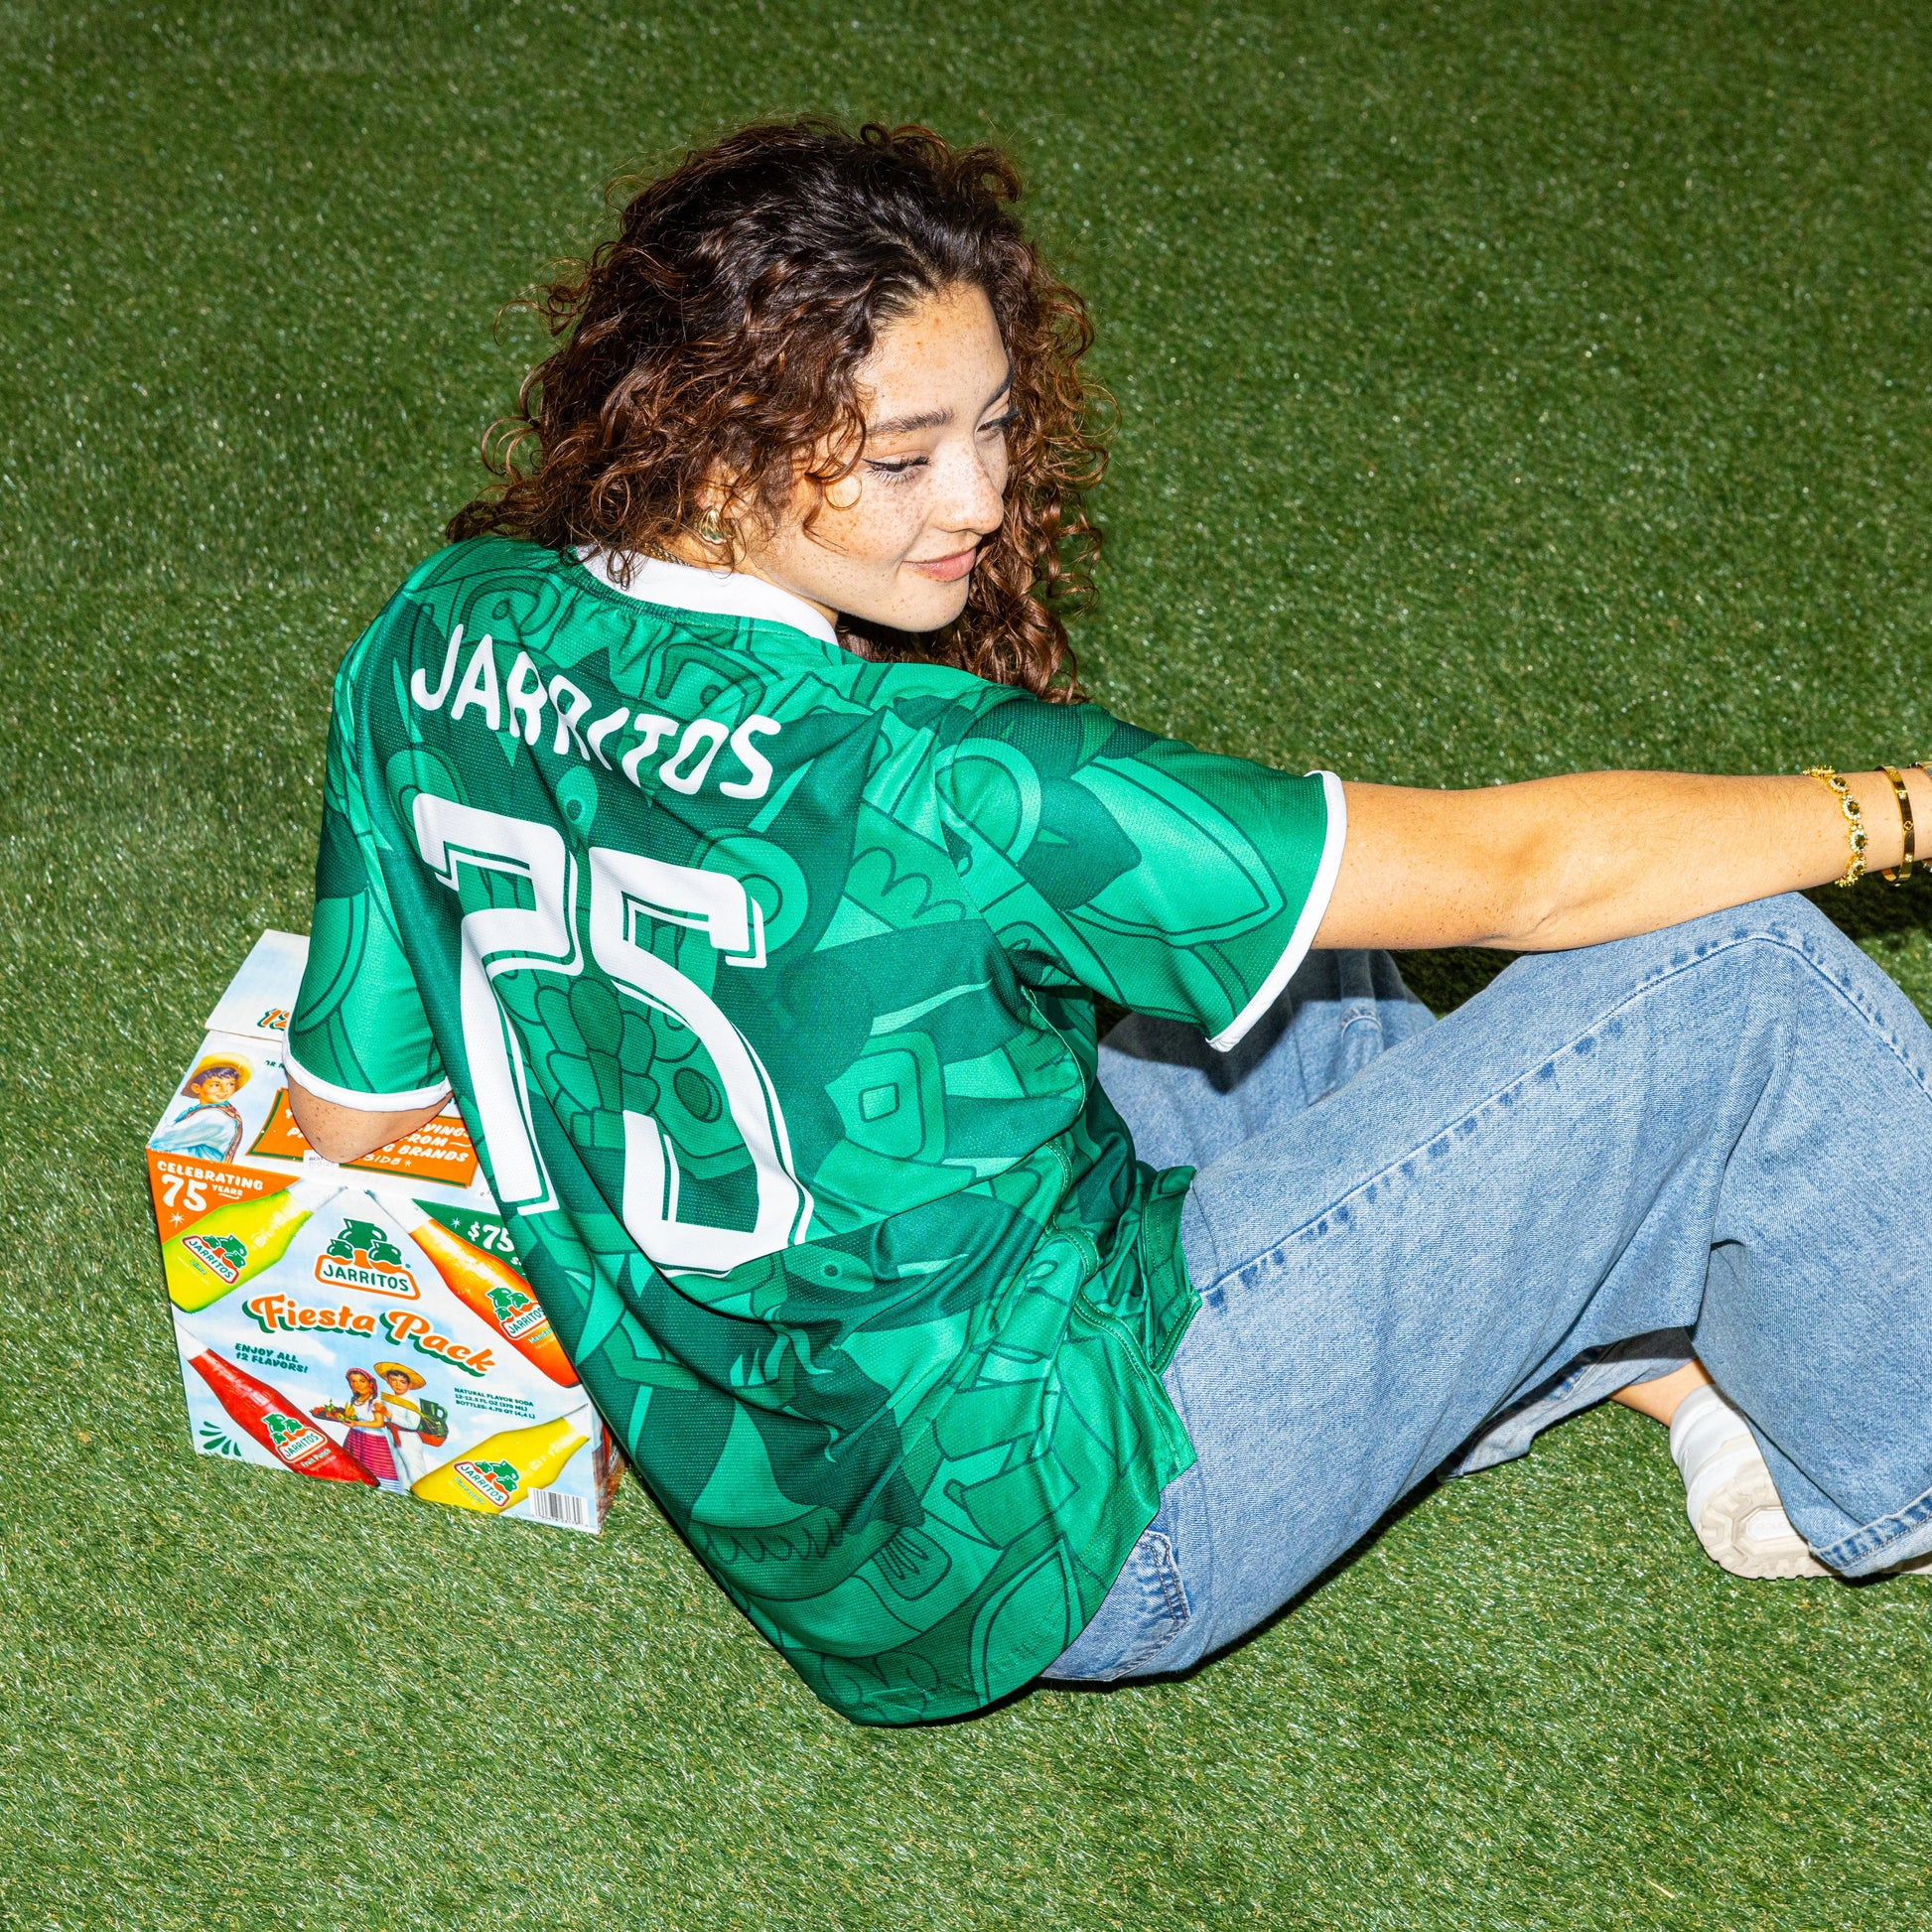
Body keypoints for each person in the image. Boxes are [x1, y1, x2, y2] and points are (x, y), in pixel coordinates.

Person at [283, 119, 1932, 1725]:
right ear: (715, 443)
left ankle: (1642, 1369)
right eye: (904, 458)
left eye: (995, 428)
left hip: (789, 1490)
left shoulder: (437, 627)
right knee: (1747, 973)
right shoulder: (946, 779)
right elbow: (1530, 876)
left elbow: (351, 1115)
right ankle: (1896, 1463)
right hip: (1088, 1525)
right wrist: (1903, 808)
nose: (980, 500)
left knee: (1282, 931)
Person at [151, 1059, 250, 1164]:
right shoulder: (221, 1110)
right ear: (196, 1088)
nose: (225, 1090)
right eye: (216, 1085)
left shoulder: (215, 1117)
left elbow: (162, 1139)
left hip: (199, 1168)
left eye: (230, 1084)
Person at [314, 1368, 398, 1486]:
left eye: (362, 1381)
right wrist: (344, 1419)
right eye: (354, 1381)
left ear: (371, 1384)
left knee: (373, 1467)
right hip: (355, 1437)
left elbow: (379, 1423)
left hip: (373, 1440)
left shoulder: (375, 1402)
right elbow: (353, 1417)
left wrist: (356, 1424)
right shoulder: (355, 1400)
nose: (358, 1385)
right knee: (352, 1465)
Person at [374, 1362, 434, 1486]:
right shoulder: (389, 1399)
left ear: (409, 1385)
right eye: (393, 1380)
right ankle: (405, 1492)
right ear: (387, 1380)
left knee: (414, 1468)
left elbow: (413, 1425)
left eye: (402, 1382)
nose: (398, 1384)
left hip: (408, 1438)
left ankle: (422, 1492)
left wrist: (388, 1414)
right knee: (400, 1468)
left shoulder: (411, 1402)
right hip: (392, 1435)